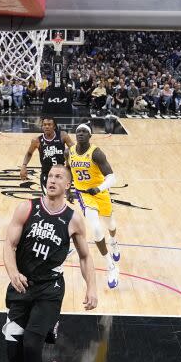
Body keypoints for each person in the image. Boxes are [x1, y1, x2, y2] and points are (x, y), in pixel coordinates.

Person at [3, 162, 97, 362]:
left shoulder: (73, 218)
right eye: (50, 176)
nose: (52, 179)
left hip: (50, 290)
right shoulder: (26, 209)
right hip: (22, 288)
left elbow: (84, 256)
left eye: (59, 177)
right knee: (14, 353)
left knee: (32, 346)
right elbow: (8, 244)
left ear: (67, 185)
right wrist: (13, 273)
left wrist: (91, 287)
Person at [69, 123, 120, 288]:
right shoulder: (69, 152)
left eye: (84, 131)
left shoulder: (96, 153)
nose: (81, 133)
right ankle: (110, 265)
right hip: (84, 194)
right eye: (78, 131)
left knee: (110, 224)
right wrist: (67, 188)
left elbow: (112, 177)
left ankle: (113, 241)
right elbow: (69, 171)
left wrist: (99, 188)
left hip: (100, 192)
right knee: (96, 228)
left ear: (90, 136)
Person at [20, 116, 74, 192]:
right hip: (47, 174)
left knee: (59, 199)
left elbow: (74, 150)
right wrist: (24, 166)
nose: (47, 127)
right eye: (44, 125)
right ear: (42, 127)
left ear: (54, 126)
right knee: (49, 200)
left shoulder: (62, 135)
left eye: (49, 124)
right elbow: (29, 153)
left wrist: (71, 164)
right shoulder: (37, 140)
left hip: (61, 173)